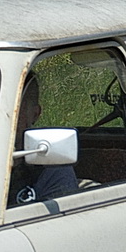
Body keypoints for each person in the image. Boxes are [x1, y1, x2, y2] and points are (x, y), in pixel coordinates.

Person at [9, 72, 80, 206]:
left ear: (35, 114)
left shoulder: (50, 166)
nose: (3, 116)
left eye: (15, 109)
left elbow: (61, 215)